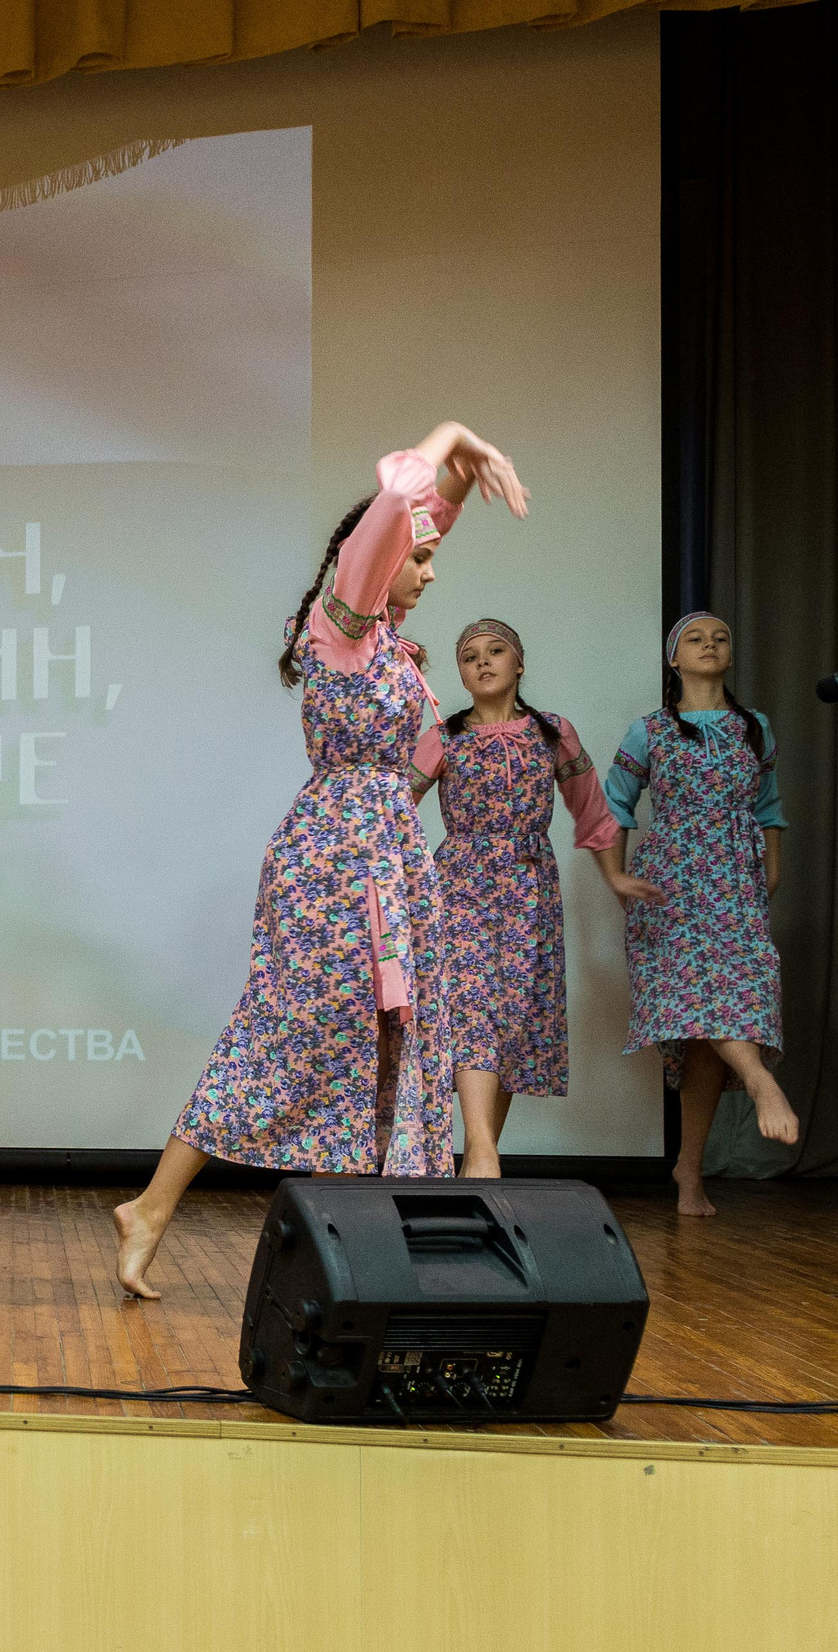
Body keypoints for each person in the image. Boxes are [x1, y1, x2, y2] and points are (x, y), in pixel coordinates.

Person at [113, 422, 530, 1299]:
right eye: (416, 560)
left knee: (390, 1035)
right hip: (336, 858)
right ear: (375, 562)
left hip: (387, 854)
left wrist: (458, 479)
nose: (428, 570)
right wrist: (449, 434)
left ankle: (384, 1245)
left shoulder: (386, 643)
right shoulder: (340, 623)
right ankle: (150, 1206)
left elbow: (421, 521)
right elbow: (391, 515)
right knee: (283, 1032)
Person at [411, 618, 646, 1176]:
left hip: (528, 887)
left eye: (496, 651)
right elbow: (394, 807)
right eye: (470, 656)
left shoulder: (552, 732)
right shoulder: (443, 736)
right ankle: (482, 1151)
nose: (484, 662)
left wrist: (616, 879)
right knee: (471, 1008)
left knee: (513, 1018)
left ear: (520, 664)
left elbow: (592, 811)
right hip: (460, 883)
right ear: (461, 675)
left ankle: (477, 1154)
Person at [598, 610, 797, 1214]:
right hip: (672, 887)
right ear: (673, 658)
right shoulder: (650, 730)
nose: (709, 646)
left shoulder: (754, 727)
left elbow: (770, 805)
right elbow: (613, 805)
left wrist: (773, 866)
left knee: (713, 1024)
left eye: (720, 638)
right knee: (699, 1002)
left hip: (736, 883)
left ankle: (689, 1171)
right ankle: (763, 1083)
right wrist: (615, 876)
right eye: (695, 638)